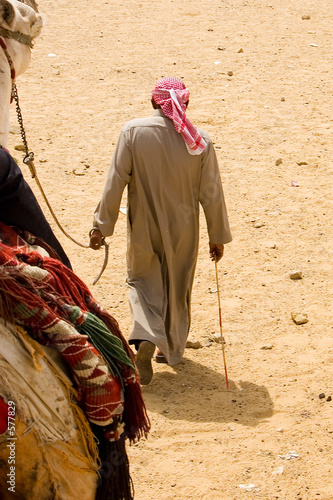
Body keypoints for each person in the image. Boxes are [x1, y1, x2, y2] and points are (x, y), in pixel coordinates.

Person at [90, 77, 232, 385]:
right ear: (186, 104)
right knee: (176, 286)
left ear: (154, 102)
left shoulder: (133, 132)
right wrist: (217, 235)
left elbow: (116, 180)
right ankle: (168, 350)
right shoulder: (199, 140)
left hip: (143, 224)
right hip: (184, 228)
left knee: (142, 283)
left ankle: (144, 338)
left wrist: (101, 226)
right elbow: (211, 193)